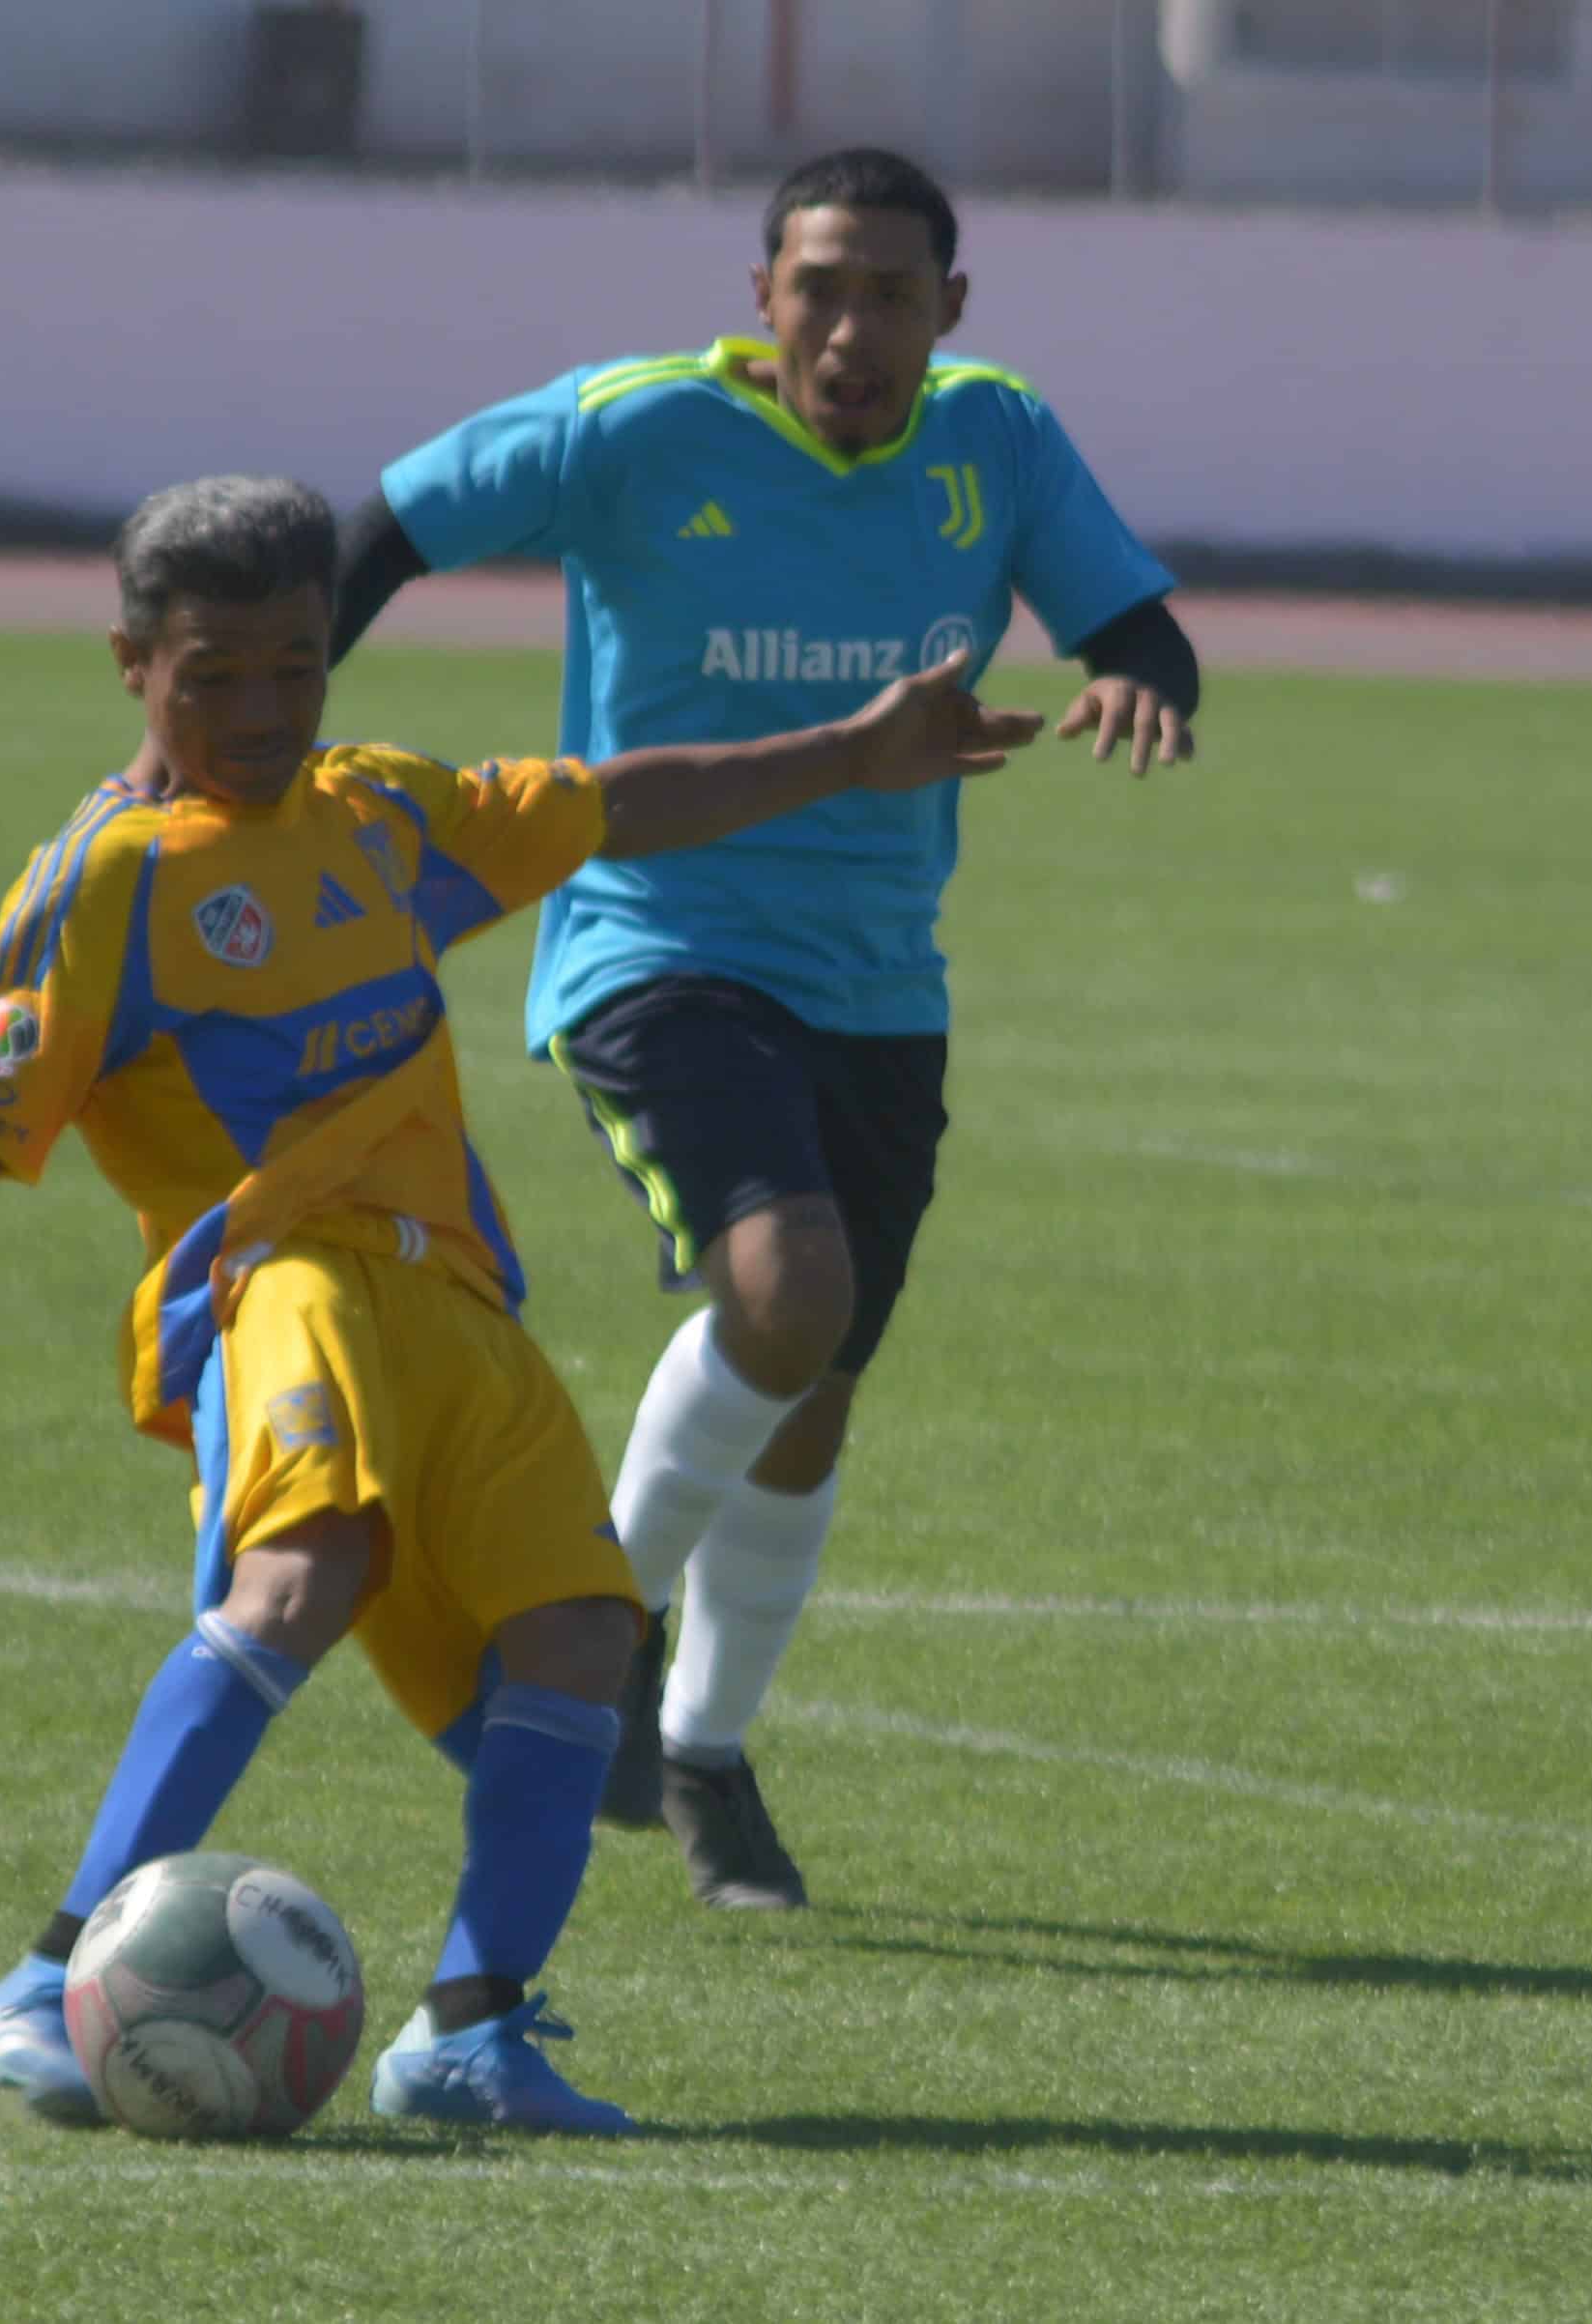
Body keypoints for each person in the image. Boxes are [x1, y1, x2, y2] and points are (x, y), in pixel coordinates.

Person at [0, 474, 1037, 2128]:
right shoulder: (103, 883)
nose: (261, 710)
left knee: (584, 1636)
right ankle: (51, 1971)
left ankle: (469, 2031)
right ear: (131, 662)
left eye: (295, 666)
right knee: (306, 1570)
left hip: (451, 1290)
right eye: (213, 674)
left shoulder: (377, 812)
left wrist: (852, 752)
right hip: (278, 1279)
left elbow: (609, 803)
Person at [324, 146, 1200, 1908]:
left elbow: (1140, 631)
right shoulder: (631, 429)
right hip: (655, 940)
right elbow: (378, 530)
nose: (852, 327)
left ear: (949, 310)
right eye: (820, 288)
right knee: (789, 1294)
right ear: (761, 298)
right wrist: (257, 745)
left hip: (878, 978)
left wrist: (1132, 676)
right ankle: (591, 1629)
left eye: (891, 294)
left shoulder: (996, 439)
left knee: (812, 1388)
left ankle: (706, 1755)